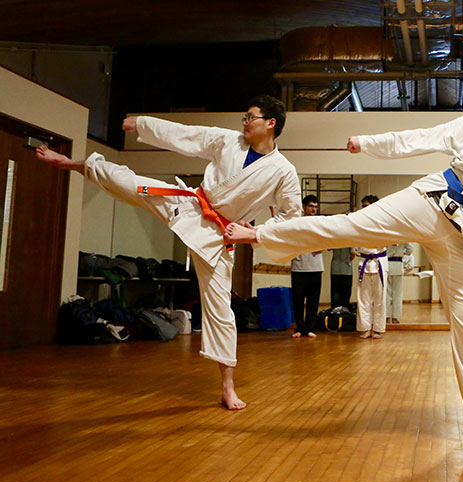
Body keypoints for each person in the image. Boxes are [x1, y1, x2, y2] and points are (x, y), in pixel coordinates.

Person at [223, 62, 463, 447]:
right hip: (433, 202)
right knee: (349, 226)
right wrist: (369, 144)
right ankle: (260, 233)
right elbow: (422, 137)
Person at [36, 96, 303, 410]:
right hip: (188, 204)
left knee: (221, 311)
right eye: (244, 116)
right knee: (132, 183)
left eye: (251, 117)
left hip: (219, 235)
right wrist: (145, 124)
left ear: (270, 123)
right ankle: (74, 164)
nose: (244, 122)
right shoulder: (228, 141)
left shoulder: (283, 171)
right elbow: (187, 135)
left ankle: (228, 387)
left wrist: (253, 233)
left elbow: (291, 218)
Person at [354, 195, 389, 338]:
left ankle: (378, 328)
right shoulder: (358, 223)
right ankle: (365, 328)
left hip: (379, 262)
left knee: (380, 298)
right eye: (363, 206)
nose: (364, 209)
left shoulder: (384, 223)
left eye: (367, 206)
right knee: (363, 298)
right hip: (364, 262)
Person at [290, 195, 322, 339]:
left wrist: (317, 245)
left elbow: (324, 242)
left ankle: (310, 328)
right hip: (298, 267)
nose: (313, 209)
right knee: (297, 300)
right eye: (310, 206)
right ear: (304, 207)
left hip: (316, 267)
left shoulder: (320, 223)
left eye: (315, 206)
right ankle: (299, 328)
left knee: (313, 300)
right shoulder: (296, 222)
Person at [386, 241, 414, 323]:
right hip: (398, 265)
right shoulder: (402, 237)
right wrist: (402, 252)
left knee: (386, 294)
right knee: (397, 294)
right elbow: (411, 249)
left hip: (387, 265)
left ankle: (386, 316)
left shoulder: (387, 235)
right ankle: (395, 317)